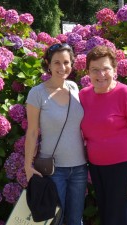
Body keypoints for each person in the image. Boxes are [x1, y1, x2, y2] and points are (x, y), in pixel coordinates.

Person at [79, 45, 127, 225]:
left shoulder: (125, 93)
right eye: (95, 69)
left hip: (122, 168)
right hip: (96, 167)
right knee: (105, 216)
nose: (100, 74)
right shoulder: (83, 96)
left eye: (106, 69)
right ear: (88, 72)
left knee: (117, 219)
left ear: (115, 70)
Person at [24, 43, 88, 225]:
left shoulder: (74, 88)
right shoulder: (37, 93)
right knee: (55, 221)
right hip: (53, 170)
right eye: (57, 62)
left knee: (75, 220)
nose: (62, 67)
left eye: (66, 62)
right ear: (48, 64)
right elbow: (33, 131)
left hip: (79, 169)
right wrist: (28, 166)